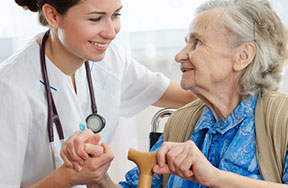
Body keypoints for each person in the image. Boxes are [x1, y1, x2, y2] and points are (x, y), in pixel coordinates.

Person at [61, 0, 288, 187]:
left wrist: (215, 177)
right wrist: (98, 177)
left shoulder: (282, 120)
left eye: (196, 43)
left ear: (243, 56)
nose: (179, 55)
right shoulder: (181, 123)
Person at [0, 0, 196, 187]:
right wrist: (67, 177)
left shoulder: (111, 61)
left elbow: (190, 96)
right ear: (53, 16)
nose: (111, 33)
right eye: (95, 19)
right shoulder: (10, 86)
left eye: (116, 15)